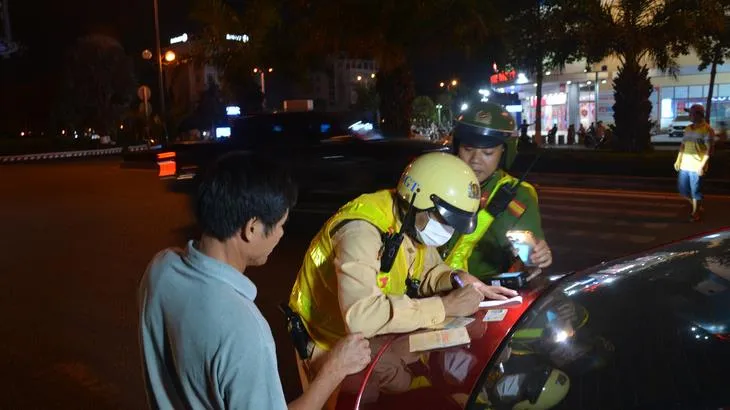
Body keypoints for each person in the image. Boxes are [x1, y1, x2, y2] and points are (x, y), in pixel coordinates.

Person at [138, 153, 372, 410]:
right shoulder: (243, 329)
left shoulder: (160, 269)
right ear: (251, 228)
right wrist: (336, 368)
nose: (282, 234)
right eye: (281, 225)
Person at [288, 152, 518, 376]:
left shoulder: (411, 219)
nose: (448, 230)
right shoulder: (361, 232)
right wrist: (446, 306)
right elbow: (361, 317)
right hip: (326, 341)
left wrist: (457, 278)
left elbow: (428, 270)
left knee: (409, 380)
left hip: (368, 339)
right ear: (417, 202)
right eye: (444, 220)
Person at [441, 101, 553, 280]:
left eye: (488, 153)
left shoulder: (518, 194)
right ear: (456, 148)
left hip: (488, 295)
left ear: (504, 152)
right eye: (468, 149)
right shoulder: (439, 183)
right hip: (432, 291)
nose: (475, 160)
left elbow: (531, 254)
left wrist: (538, 255)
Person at [674, 104, 714, 222]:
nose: (689, 116)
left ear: (698, 115)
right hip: (685, 165)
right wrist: (678, 160)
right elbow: (683, 145)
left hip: (697, 166)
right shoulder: (688, 128)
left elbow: (709, 150)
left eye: (691, 113)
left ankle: (695, 213)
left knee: (695, 191)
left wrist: (701, 166)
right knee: (682, 190)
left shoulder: (707, 130)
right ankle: (698, 205)